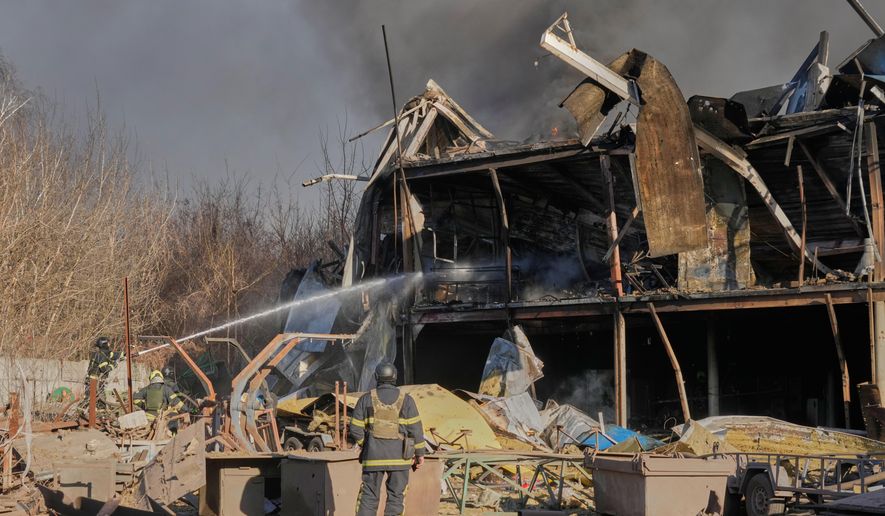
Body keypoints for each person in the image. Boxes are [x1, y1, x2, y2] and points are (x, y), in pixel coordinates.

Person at [350, 363, 425, 516]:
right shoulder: (407, 400)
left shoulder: (366, 399)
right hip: (400, 460)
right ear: (395, 376)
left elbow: (355, 428)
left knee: (369, 496)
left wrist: (367, 445)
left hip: (373, 459)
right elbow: (416, 430)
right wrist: (420, 454)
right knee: (396, 497)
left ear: (376, 377)